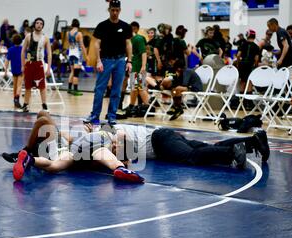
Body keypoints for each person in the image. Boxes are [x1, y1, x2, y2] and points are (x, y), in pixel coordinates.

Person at [1, 111, 144, 183]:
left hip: (68, 149)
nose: (115, 144)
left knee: (55, 165)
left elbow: (120, 139)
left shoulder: (105, 145)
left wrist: (123, 161)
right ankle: (29, 158)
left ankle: (27, 154)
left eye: (117, 146)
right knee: (43, 115)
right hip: (70, 147)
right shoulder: (103, 135)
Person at [114, 124, 270, 168]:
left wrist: (121, 162)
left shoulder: (107, 130)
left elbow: (121, 136)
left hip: (160, 142)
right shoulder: (105, 134)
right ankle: (253, 141)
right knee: (207, 147)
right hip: (164, 137)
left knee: (192, 157)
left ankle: (232, 152)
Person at [84, 0, 132, 126]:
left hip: (121, 60)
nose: (115, 12)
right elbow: (96, 43)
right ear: (109, 10)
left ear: (120, 10)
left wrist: (129, 61)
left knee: (116, 90)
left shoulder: (125, 26)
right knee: (99, 89)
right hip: (105, 60)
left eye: (117, 10)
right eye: (112, 10)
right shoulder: (102, 25)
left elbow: (128, 44)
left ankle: (112, 116)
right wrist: (98, 61)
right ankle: (94, 115)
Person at [20, 17, 52, 113]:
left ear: (43, 26)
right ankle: (26, 105)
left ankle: (44, 106)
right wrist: (23, 65)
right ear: (34, 24)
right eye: (37, 23)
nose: (39, 25)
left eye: (41, 23)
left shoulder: (45, 38)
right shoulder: (28, 36)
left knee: (41, 86)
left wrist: (49, 68)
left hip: (39, 64)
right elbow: (23, 51)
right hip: (29, 64)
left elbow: (49, 53)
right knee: (28, 86)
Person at [125, 21, 149, 117]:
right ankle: (131, 105)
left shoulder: (138, 39)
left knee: (140, 88)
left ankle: (148, 107)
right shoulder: (130, 40)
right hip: (134, 66)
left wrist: (143, 66)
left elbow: (144, 52)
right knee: (133, 88)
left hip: (139, 67)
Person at [67, 19, 88, 96]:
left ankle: (69, 89)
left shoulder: (67, 33)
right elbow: (82, 45)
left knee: (72, 72)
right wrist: (86, 55)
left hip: (70, 54)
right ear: (78, 25)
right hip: (77, 54)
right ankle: (75, 90)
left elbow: (69, 44)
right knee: (76, 74)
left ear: (72, 25)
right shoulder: (79, 34)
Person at [4, 33, 24, 108]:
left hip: (14, 69)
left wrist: (5, 70)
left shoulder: (10, 50)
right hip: (21, 68)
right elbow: (25, 59)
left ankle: (14, 100)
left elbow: (7, 60)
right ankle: (17, 98)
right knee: (19, 85)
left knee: (15, 86)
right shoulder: (23, 49)